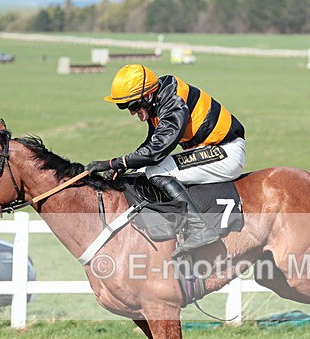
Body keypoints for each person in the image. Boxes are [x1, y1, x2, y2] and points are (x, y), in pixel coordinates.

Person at [85, 64, 246, 256]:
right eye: (125, 108)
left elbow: (156, 152)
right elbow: (151, 143)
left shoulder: (173, 103)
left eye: (134, 106)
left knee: (156, 171)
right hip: (210, 149)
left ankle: (199, 227)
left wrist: (114, 163)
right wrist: (124, 167)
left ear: (148, 96)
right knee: (144, 172)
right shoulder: (160, 100)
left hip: (225, 152)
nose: (133, 113)